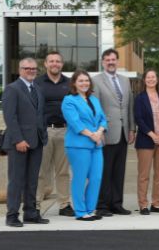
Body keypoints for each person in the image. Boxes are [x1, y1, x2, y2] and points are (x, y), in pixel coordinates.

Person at [1, 57, 49, 227]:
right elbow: (10, 117)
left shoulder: (37, 88)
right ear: (20, 69)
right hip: (18, 143)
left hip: (36, 141)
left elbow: (40, 115)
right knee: (16, 179)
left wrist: (43, 135)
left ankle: (30, 213)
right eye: (27, 68)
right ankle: (12, 215)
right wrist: (18, 139)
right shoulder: (12, 89)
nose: (30, 71)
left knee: (32, 179)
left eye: (33, 68)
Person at [91, 49, 135, 216]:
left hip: (123, 133)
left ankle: (117, 203)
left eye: (113, 59)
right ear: (103, 62)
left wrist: (131, 128)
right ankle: (102, 205)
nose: (111, 62)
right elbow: (95, 107)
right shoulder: (96, 81)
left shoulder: (125, 81)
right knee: (105, 171)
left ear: (117, 61)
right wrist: (98, 131)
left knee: (119, 171)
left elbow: (129, 106)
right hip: (106, 133)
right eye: (107, 59)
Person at [61, 70, 108, 221]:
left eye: (86, 80)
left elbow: (103, 119)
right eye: (80, 81)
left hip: (96, 144)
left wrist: (99, 132)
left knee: (96, 178)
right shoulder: (69, 100)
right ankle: (81, 211)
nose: (84, 83)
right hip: (79, 145)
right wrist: (92, 135)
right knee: (80, 178)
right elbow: (75, 122)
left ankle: (90, 209)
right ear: (74, 83)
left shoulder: (94, 99)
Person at [34, 51, 74, 217]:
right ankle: (35, 205)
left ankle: (64, 204)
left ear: (62, 64)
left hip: (65, 131)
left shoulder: (69, 83)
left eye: (58, 61)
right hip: (45, 131)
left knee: (63, 171)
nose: (55, 64)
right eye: (51, 61)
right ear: (46, 64)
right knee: (41, 171)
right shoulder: (37, 82)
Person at [134, 69, 159, 215]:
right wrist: (152, 135)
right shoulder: (139, 98)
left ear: (157, 79)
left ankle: (156, 204)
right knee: (144, 175)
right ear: (144, 80)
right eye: (148, 77)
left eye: (153, 77)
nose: (151, 79)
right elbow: (139, 119)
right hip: (146, 140)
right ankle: (143, 205)